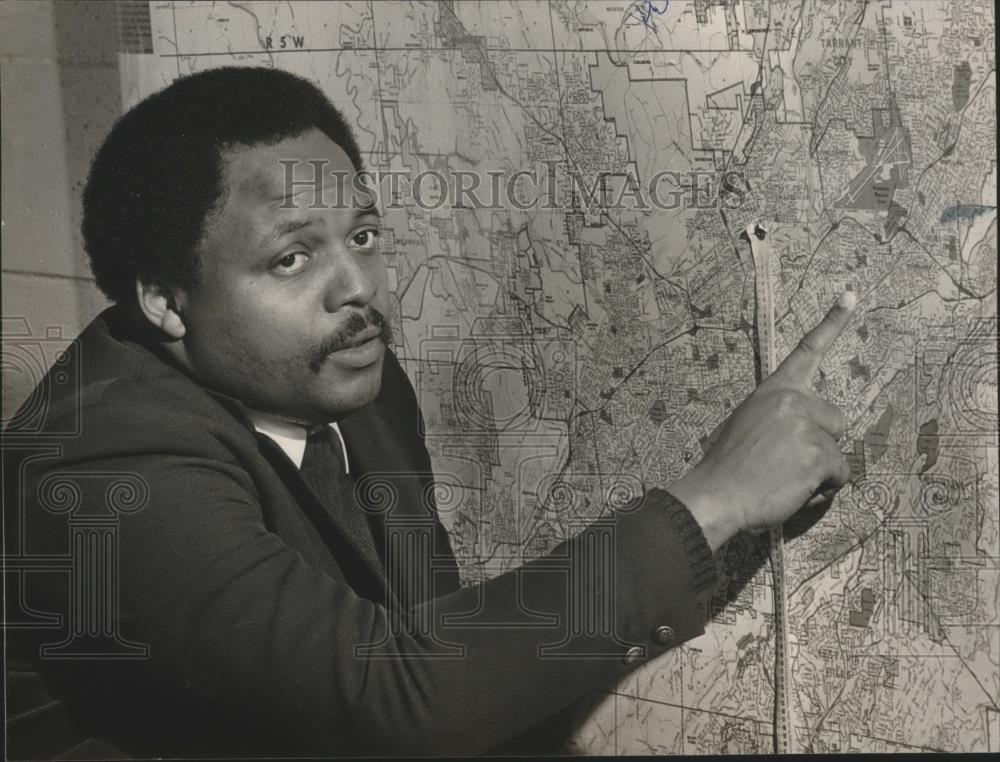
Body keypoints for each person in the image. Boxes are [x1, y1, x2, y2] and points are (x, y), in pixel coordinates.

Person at [4, 67, 855, 758]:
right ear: (165, 301)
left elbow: (435, 639)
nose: (360, 289)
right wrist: (711, 501)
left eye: (364, 237)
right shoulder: (103, 463)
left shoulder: (345, 377)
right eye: (293, 257)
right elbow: (391, 700)